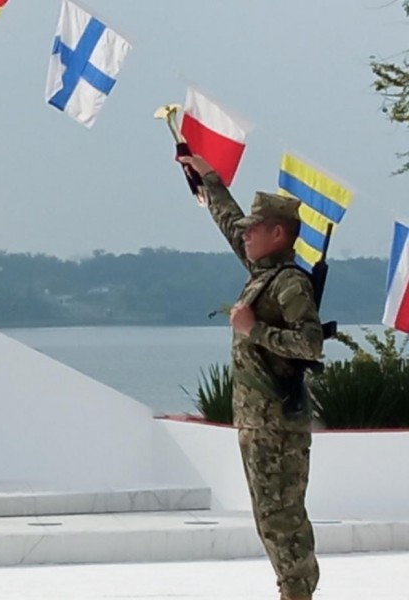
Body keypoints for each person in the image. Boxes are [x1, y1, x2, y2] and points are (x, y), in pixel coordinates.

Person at [179, 154, 323, 600]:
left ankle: (297, 592)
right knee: (269, 516)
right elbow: (231, 225)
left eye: (254, 231)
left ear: (277, 234)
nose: (244, 237)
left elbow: (310, 345)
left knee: (283, 518)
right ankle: (291, 590)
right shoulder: (264, 275)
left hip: (278, 423)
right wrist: (209, 180)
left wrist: (253, 330)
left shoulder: (289, 284)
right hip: (260, 424)